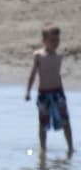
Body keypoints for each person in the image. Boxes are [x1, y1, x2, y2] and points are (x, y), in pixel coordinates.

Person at [25, 24, 73, 155]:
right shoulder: (39, 56)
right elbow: (33, 74)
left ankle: (70, 148)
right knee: (43, 122)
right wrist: (28, 91)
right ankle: (43, 149)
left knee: (65, 121)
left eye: (57, 40)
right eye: (52, 40)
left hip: (58, 92)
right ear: (44, 41)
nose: (55, 43)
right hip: (44, 93)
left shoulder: (59, 56)